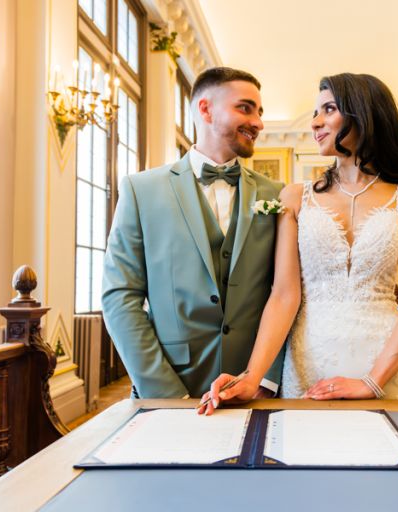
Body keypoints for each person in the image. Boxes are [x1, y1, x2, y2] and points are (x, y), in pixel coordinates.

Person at [199, 72, 398, 413]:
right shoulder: (296, 197)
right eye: (315, 113)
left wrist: (373, 381)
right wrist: (252, 377)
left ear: (363, 113)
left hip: (387, 364)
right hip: (309, 361)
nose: (315, 123)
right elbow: (284, 295)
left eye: (328, 109)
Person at [102, 67, 285, 398]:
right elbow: (120, 296)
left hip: (253, 389)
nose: (258, 122)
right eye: (245, 108)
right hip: (171, 386)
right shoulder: (141, 191)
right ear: (205, 109)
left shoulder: (276, 195)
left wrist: (265, 381)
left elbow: (287, 293)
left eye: (260, 112)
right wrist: (165, 394)